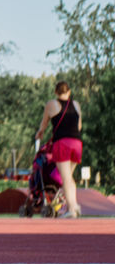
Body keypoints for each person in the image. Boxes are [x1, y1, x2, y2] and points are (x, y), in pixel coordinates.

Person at [35, 81, 83, 219]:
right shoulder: (76, 105)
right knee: (69, 178)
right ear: (69, 92)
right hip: (77, 143)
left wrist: (40, 132)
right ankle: (74, 206)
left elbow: (44, 124)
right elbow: (79, 126)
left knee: (65, 178)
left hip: (62, 143)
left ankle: (72, 209)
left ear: (56, 92)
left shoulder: (51, 104)